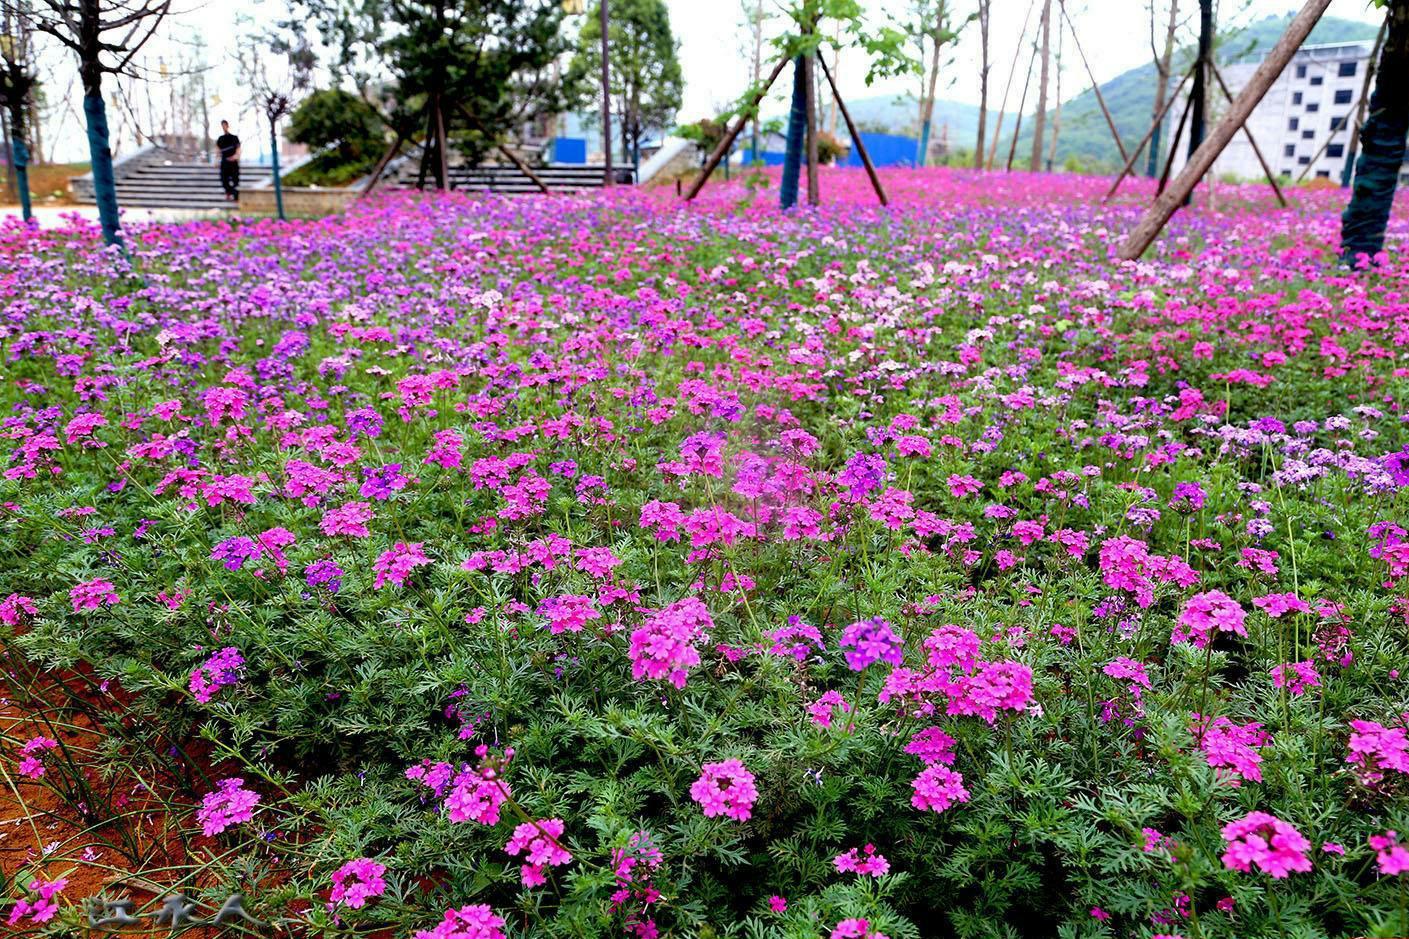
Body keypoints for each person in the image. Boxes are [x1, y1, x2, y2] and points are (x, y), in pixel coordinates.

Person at [216, 121, 241, 201]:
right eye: (222, 125)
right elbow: (218, 151)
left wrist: (236, 156)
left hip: (233, 162)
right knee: (223, 179)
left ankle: (236, 197)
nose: (224, 127)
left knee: (235, 180)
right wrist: (216, 161)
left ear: (227, 126)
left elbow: (238, 149)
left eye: (225, 125)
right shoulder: (220, 139)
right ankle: (229, 192)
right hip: (225, 162)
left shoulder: (234, 138)